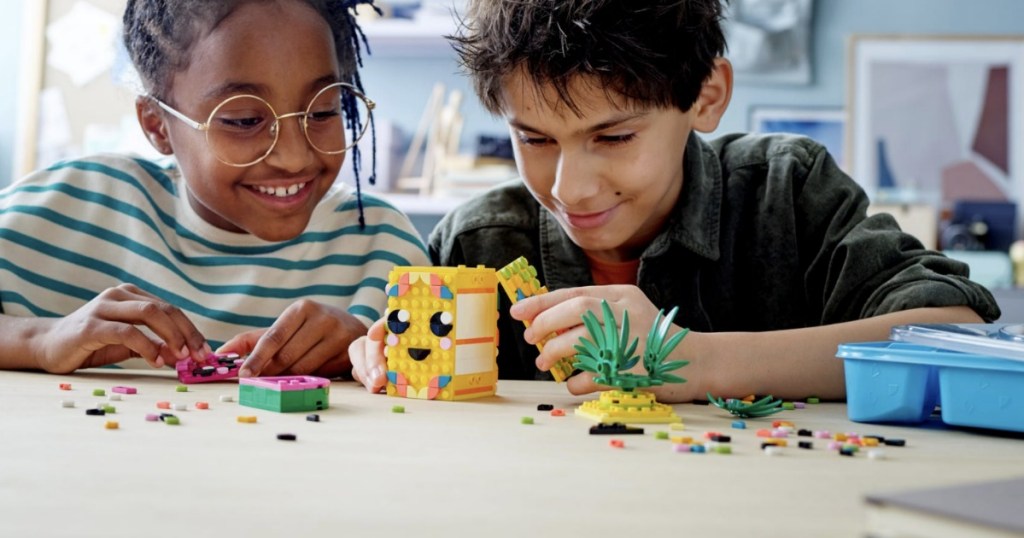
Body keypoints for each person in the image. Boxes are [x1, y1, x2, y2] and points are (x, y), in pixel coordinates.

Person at [349, 0, 1000, 402]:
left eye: (615, 136)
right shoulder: (479, 244)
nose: (569, 188)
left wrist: (693, 360)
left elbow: (954, 332)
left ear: (707, 97)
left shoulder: (787, 191)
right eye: (535, 138)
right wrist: (379, 355)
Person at [0, 0, 428, 377]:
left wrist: (377, 355)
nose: (295, 157)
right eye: (243, 120)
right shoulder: (68, 204)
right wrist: (41, 338)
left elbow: (442, 381)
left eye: (322, 112)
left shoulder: (382, 250)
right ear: (156, 124)